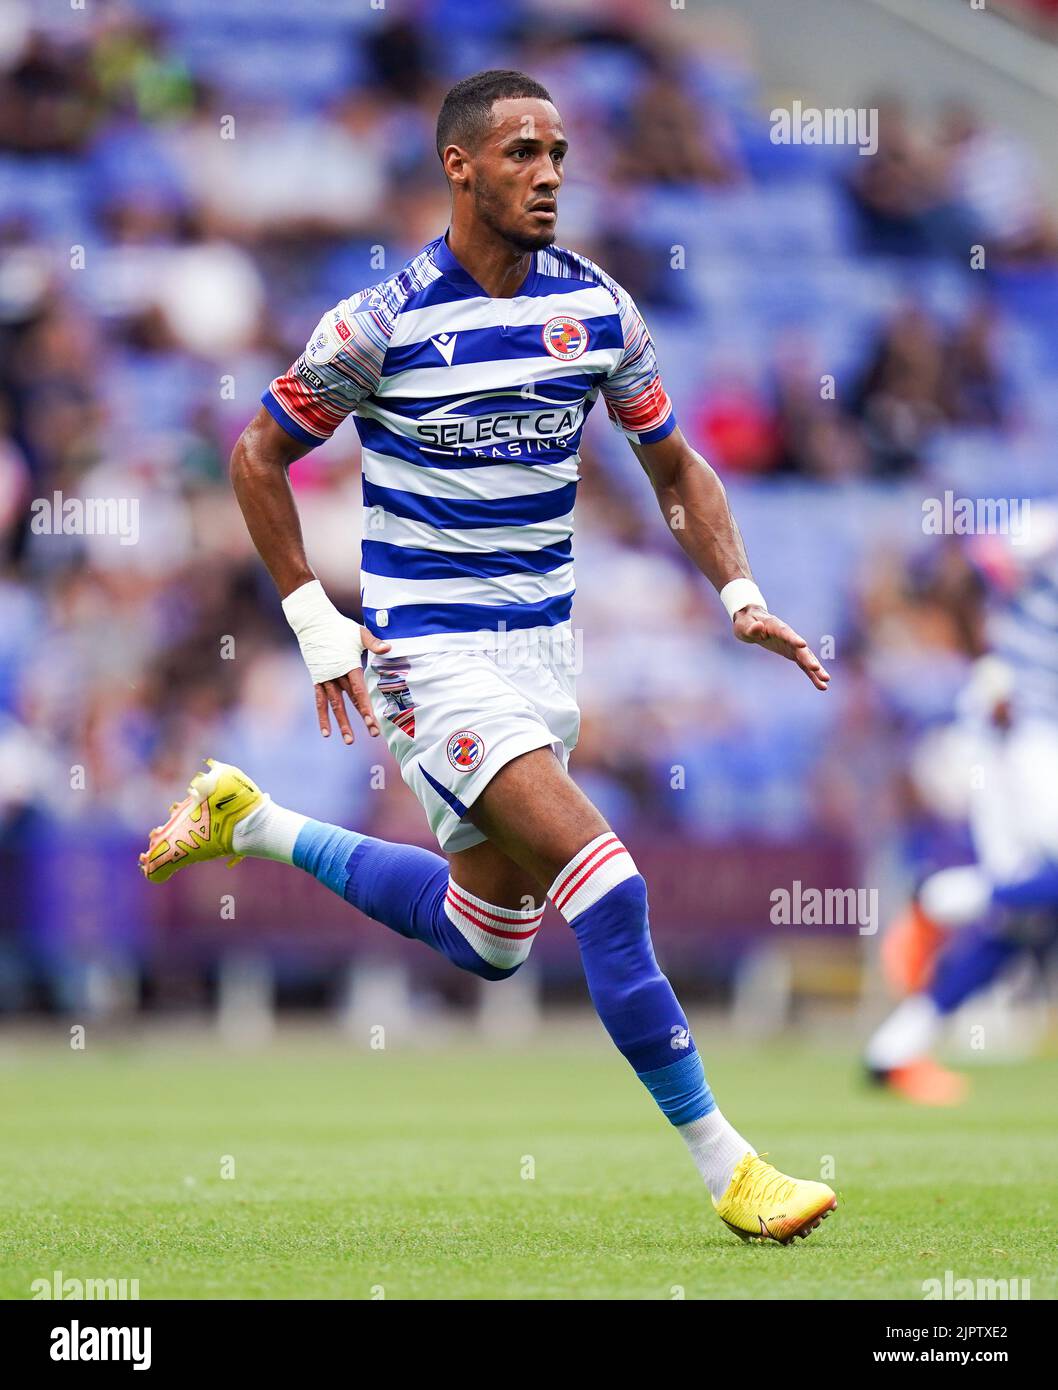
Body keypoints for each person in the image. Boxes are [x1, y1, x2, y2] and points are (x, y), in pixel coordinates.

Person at [140, 70, 835, 1244]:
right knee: (609, 888)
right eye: (521, 152)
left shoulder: (600, 311)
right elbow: (256, 455)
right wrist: (316, 620)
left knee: (487, 940)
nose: (550, 172)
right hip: (431, 661)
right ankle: (730, 1165)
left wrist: (739, 592)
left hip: (544, 662)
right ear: (459, 166)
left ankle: (249, 821)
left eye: (558, 151)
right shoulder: (380, 320)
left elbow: (674, 468)